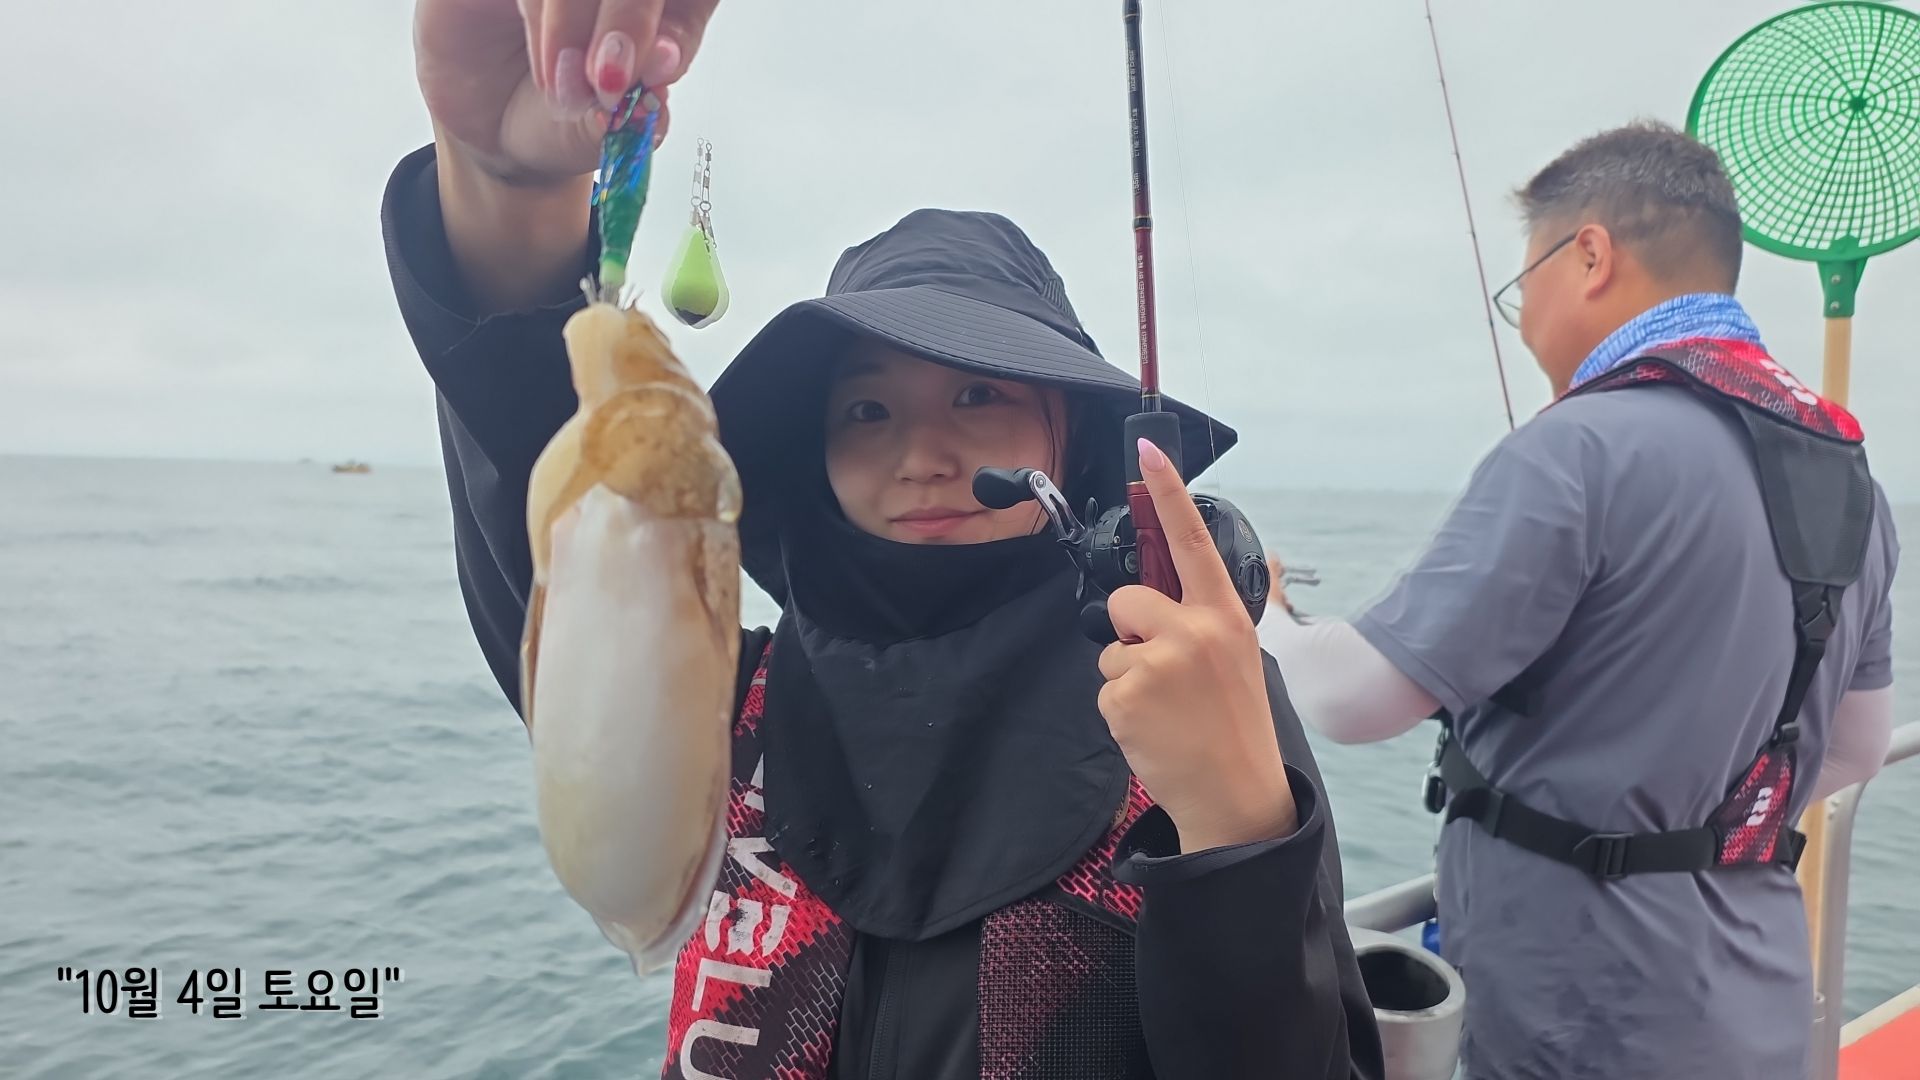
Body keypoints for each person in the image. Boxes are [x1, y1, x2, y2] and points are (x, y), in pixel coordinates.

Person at [383, 3, 1386, 1077]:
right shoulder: (721, 697)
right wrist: (508, 184)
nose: (921, 455)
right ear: (815, 451)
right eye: (867, 410)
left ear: (1069, 434)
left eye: (979, 394)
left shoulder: (1188, 694)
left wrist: (1239, 829)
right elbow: (568, 528)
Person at [1261, 120, 1900, 1080]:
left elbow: (1354, 700)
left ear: (1590, 254)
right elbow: (1855, 748)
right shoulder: (1855, 481)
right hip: (1757, 999)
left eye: (1526, 282)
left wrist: (1261, 615)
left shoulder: (1577, 447)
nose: (1522, 320)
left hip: (1580, 1014)